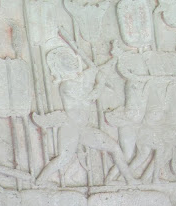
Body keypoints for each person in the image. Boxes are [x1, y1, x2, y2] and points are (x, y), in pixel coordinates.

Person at [33, 46, 137, 186]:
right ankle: (39, 181)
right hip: (70, 127)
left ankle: (130, 180)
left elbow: (100, 70)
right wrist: (99, 82)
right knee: (63, 158)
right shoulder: (67, 85)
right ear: (60, 68)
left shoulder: (83, 78)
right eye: (66, 62)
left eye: (71, 60)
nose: (71, 63)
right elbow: (90, 96)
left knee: (115, 148)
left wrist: (114, 59)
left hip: (84, 128)